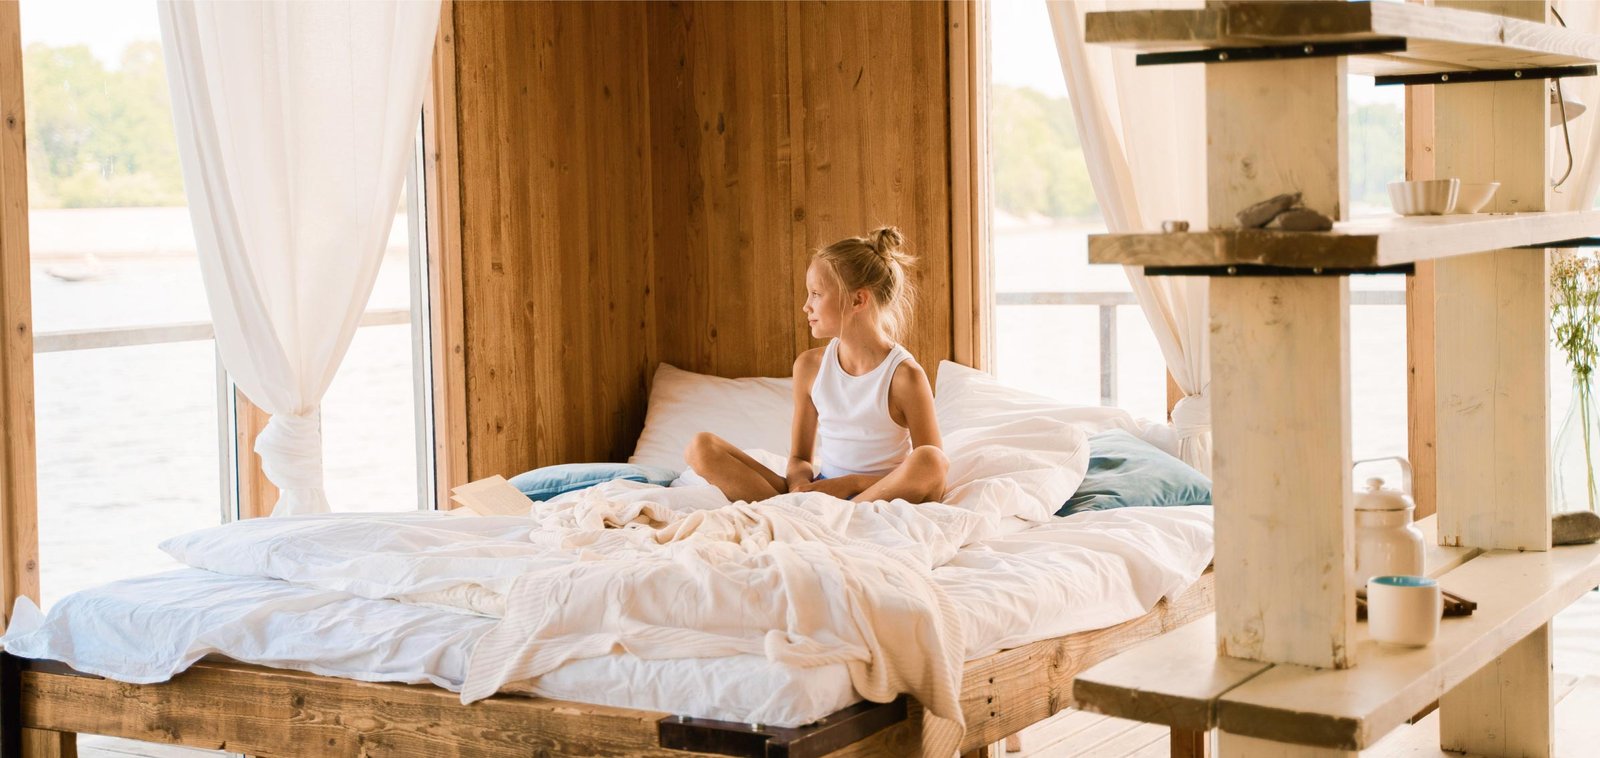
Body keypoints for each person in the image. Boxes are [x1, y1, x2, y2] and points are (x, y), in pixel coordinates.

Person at [685, 226, 948, 504]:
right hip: (821, 493)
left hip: (878, 496)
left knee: (932, 458)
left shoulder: (904, 376)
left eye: (816, 294)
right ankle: (800, 513)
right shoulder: (810, 366)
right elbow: (799, 458)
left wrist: (850, 484)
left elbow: (935, 476)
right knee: (701, 447)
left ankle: (825, 518)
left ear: (858, 299)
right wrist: (800, 486)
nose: (805, 306)